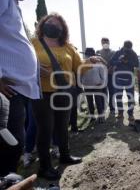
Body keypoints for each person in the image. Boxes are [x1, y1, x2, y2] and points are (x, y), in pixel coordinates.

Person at [31, 13, 102, 180]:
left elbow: (79, 68)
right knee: (45, 129)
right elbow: (23, 63)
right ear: (43, 25)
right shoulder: (33, 43)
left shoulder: (68, 47)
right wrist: (35, 68)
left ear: (62, 29)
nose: (53, 26)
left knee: (63, 127)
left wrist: (90, 61)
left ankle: (65, 156)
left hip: (64, 93)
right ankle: (45, 167)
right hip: (42, 93)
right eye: (50, 22)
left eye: (57, 24)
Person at [0, 0, 41, 177]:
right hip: (7, 89)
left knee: (15, 144)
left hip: (19, 88)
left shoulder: (12, 0)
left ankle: (10, 182)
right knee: (9, 146)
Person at [110, 41, 139, 122]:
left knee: (131, 97)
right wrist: (120, 61)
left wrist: (128, 62)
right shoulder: (118, 53)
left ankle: (130, 114)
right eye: (127, 48)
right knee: (118, 96)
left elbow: (137, 64)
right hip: (118, 79)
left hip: (129, 79)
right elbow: (111, 62)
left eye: (129, 48)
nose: (128, 50)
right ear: (124, 46)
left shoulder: (133, 53)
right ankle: (120, 113)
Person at [81, 48, 108, 124]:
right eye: (87, 55)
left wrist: (102, 82)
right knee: (89, 101)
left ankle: (101, 116)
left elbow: (103, 74)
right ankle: (92, 117)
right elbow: (80, 74)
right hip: (87, 85)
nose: (88, 56)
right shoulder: (83, 63)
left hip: (97, 85)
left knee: (98, 101)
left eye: (89, 55)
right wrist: (81, 82)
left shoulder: (98, 63)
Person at [96, 38, 116, 117]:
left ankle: (112, 108)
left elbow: (115, 63)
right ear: (101, 43)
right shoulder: (98, 52)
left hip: (111, 75)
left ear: (109, 43)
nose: (105, 43)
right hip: (101, 76)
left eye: (106, 42)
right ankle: (103, 108)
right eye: (103, 42)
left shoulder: (113, 52)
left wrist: (110, 69)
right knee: (103, 92)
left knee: (112, 92)